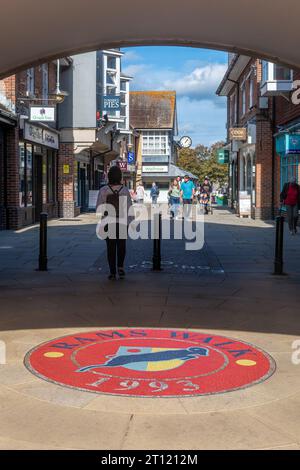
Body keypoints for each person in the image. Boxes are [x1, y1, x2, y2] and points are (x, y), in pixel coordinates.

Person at [96, 165, 132, 280]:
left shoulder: (103, 190)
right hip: (122, 222)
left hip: (108, 222)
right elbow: (129, 208)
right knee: (121, 246)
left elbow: (99, 208)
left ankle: (112, 271)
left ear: (109, 176)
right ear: (120, 176)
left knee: (110, 247)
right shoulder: (125, 190)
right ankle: (120, 267)